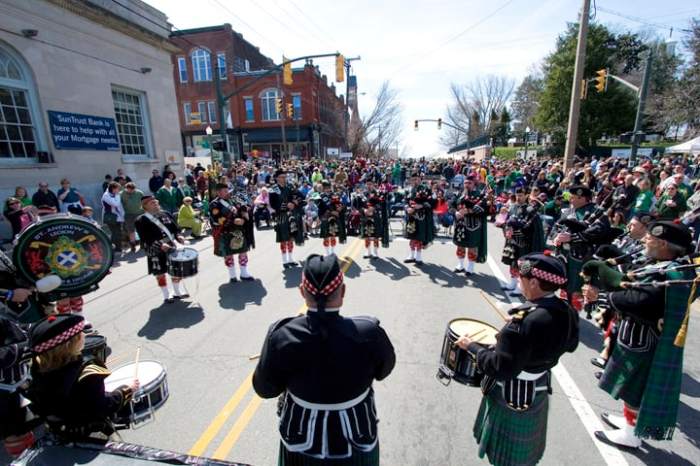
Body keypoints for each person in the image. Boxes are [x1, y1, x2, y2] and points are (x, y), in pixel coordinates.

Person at [252, 254, 396, 465]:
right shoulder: (369, 332)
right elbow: (384, 370)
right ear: (343, 291)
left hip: (300, 447)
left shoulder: (281, 335)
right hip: (357, 441)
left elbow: (264, 389)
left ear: (302, 291)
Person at [457, 252, 578, 466]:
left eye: (521, 279)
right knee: (522, 456)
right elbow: (571, 345)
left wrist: (472, 347)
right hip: (538, 387)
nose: (519, 283)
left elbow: (499, 368)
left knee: (504, 458)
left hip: (512, 392)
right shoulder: (567, 311)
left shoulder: (522, 324)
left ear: (533, 281)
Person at [594, 221, 696, 449]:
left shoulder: (670, 272)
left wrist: (605, 298)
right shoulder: (666, 265)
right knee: (632, 388)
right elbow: (634, 277)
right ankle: (630, 423)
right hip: (638, 335)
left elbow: (641, 301)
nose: (644, 240)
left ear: (662, 243)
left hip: (643, 340)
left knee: (634, 388)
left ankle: (631, 434)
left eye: (649, 237)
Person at [27, 314, 137, 440]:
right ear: (71, 344)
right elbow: (102, 407)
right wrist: (126, 390)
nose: (84, 335)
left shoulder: (38, 368)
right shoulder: (88, 371)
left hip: (57, 432)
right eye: (80, 334)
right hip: (88, 434)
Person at [135, 196, 188, 303]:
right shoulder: (141, 220)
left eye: (156, 202)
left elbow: (175, 228)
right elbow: (145, 238)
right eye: (152, 203)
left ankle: (177, 292)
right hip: (155, 248)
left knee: (176, 269)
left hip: (171, 245)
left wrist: (179, 236)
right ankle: (166, 295)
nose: (156, 204)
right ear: (145, 206)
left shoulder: (166, 214)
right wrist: (160, 245)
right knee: (160, 272)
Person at [210, 185, 255, 282]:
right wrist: (233, 221)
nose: (228, 192)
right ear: (219, 193)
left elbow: (242, 210)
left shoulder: (233, 201)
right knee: (228, 254)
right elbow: (218, 219)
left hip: (238, 231)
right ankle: (232, 275)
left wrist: (243, 217)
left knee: (243, 251)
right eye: (225, 191)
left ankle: (244, 273)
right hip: (225, 232)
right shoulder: (214, 204)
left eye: (228, 190)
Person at [269, 170, 306, 269]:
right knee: (283, 239)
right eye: (281, 177)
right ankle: (284, 260)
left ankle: (290, 259)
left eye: (284, 177)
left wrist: (294, 202)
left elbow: (301, 196)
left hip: (291, 215)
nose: (283, 179)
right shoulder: (273, 189)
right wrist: (286, 205)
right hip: (281, 216)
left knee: (291, 238)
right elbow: (273, 204)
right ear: (276, 178)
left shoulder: (289, 187)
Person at [451, 177, 488, 275]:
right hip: (460, 224)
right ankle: (460, 265)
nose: (467, 185)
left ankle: (470, 267)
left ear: (474, 184)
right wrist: (456, 213)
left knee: (472, 246)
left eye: (469, 183)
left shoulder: (480, 195)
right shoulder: (460, 194)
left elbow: (484, 210)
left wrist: (468, 211)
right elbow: (451, 205)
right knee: (460, 245)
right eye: (465, 183)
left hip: (473, 225)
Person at [404, 173, 435, 265]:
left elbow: (431, 202)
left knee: (419, 236)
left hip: (421, 217)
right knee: (412, 236)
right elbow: (405, 201)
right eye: (413, 179)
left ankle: (418, 256)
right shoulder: (409, 190)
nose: (415, 181)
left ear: (420, 179)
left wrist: (421, 205)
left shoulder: (425, 189)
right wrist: (407, 208)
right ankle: (411, 255)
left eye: (416, 179)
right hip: (411, 216)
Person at [318, 180, 347, 256]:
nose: (328, 189)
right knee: (326, 236)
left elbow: (338, 203)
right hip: (325, 217)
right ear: (323, 188)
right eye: (326, 188)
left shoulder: (333, 195)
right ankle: (327, 252)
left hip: (333, 217)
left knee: (333, 234)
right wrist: (331, 211)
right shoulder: (321, 196)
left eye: (328, 187)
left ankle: (332, 251)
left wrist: (339, 208)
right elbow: (322, 206)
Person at [101, 182, 125, 254]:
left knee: (118, 233)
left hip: (118, 217)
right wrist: (117, 195)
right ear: (113, 189)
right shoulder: (106, 195)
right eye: (118, 189)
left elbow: (120, 207)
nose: (119, 190)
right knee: (115, 233)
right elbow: (115, 204)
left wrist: (123, 216)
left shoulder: (114, 194)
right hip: (110, 217)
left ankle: (118, 248)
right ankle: (113, 249)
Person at [121, 182, 144, 253]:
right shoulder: (122, 194)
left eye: (132, 190)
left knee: (141, 229)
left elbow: (144, 202)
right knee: (131, 231)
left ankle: (142, 243)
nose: (130, 191)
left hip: (139, 213)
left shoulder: (139, 193)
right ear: (126, 188)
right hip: (129, 214)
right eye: (128, 190)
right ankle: (133, 246)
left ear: (135, 189)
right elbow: (119, 203)